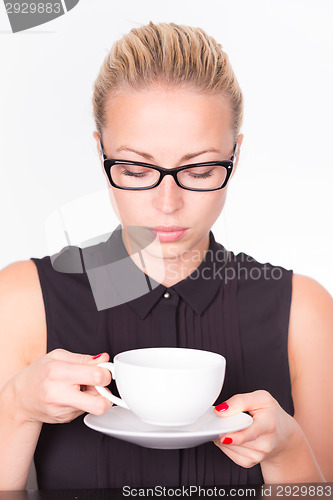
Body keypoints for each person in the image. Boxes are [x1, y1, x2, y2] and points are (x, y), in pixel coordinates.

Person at [0, 21, 332, 490]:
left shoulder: (305, 310)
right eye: (136, 169)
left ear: (234, 155)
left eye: (198, 169)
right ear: (101, 154)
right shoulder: (22, 299)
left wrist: (288, 449)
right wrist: (16, 407)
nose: (168, 203)